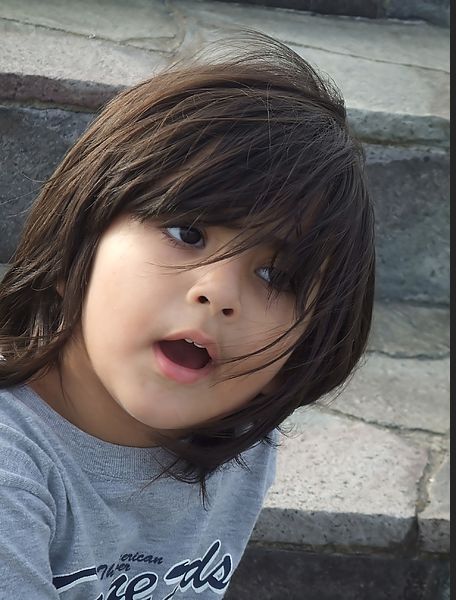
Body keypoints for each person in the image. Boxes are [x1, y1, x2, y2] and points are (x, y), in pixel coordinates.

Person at [0, 31, 375, 598]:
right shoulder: (12, 468)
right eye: (188, 232)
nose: (219, 293)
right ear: (79, 239)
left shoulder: (241, 439)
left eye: (275, 275)